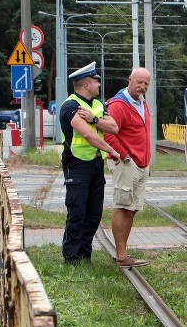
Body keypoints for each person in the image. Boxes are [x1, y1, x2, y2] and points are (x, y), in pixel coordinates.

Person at [59, 61, 121, 265]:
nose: (99, 85)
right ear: (87, 84)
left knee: (93, 214)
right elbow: (86, 135)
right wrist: (112, 150)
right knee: (77, 212)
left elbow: (113, 127)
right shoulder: (70, 106)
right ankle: (72, 258)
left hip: (95, 165)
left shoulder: (97, 106)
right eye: (96, 81)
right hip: (77, 164)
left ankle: (85, 256)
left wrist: (94, 119)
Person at [104, 67, 153, 268]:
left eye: (146, 84)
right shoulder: (119, 105)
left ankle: (123, 252)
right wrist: (124, 156)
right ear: (129, 80)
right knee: (123, 206)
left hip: (141, 163)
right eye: (139, 82)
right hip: (126, 162)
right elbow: (108, 134)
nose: (142, 87)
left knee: (131, 208)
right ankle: (121, 255)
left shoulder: (142, 102)